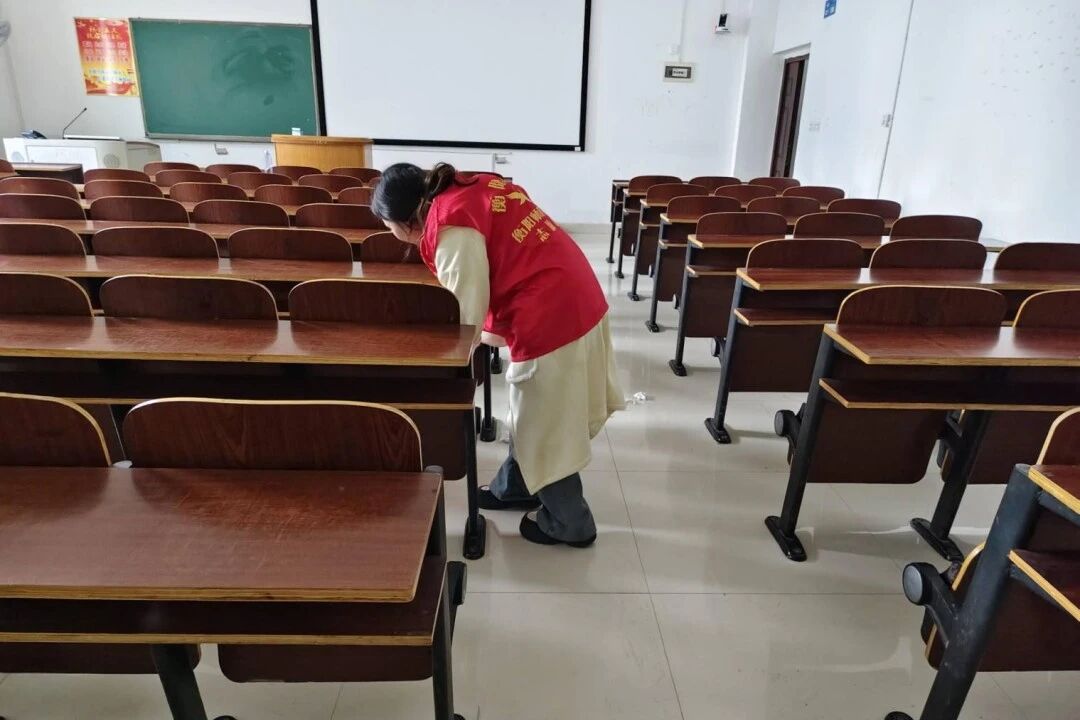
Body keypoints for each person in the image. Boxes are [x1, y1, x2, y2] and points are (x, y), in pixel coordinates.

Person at [373, 163, 624, 547]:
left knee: (546, 428)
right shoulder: (470, 188)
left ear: (405, 223)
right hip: (572, 292)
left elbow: (464, 320)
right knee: (531, 414)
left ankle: (570, 522)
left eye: (387, 225)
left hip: (552, 315)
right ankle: (514, 487)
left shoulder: (452, 228)